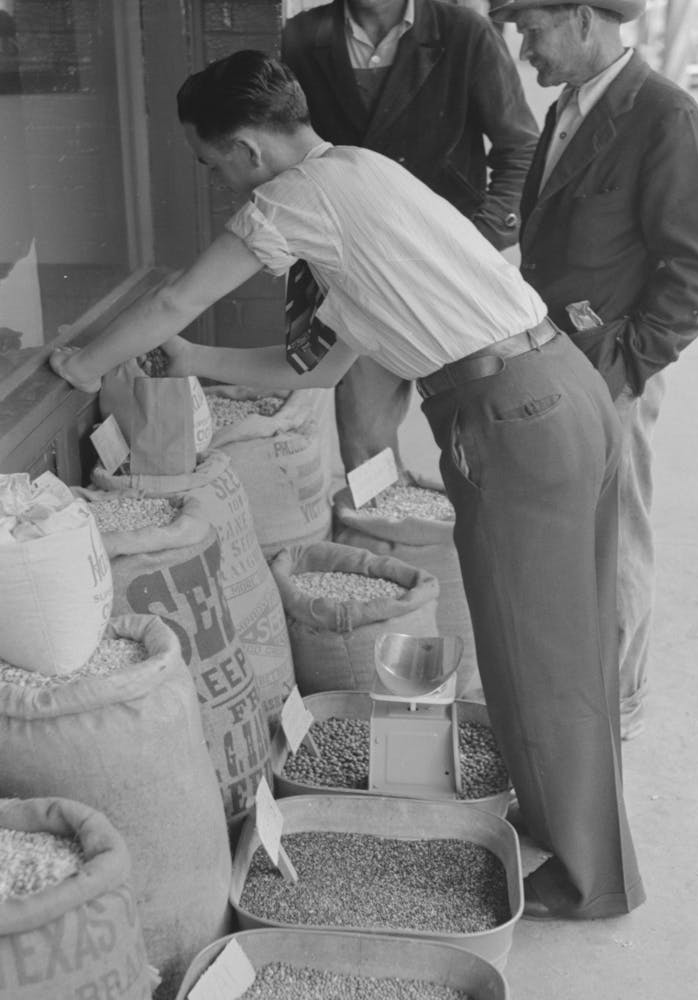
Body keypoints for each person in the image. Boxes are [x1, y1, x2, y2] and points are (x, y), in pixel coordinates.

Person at [50, 50, 645, 920]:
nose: (220, 185)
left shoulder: (292, 201)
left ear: (249, 150)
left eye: (213, 162)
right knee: (571, 642)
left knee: (532, 660)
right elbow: (320, 367)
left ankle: (585, 879)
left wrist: (78, 362)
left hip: (509, 418)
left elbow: (177, 298)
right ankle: (593, 855)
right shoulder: (361, 176)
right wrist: (197, 362)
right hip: (561, 392)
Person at [493, 0, 698, 739]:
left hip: (614, 366)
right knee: (574, 527)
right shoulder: (568, 105)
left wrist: (628, 368)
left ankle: (619, 707)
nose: (524, 47)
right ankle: (579, 683)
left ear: (582, 19)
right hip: (562, 358)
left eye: (532, 29)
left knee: (617, 530)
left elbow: (697, 272)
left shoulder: (666, 117)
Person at [281, 0, 539, 472]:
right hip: (358, 277)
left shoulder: (465, 32)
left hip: (451, 275)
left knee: (481, 435)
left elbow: (519, 146)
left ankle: (477, 540)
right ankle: (382, 539)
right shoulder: (302, 36)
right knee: (364, 443)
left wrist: (480, 240)